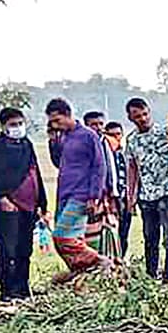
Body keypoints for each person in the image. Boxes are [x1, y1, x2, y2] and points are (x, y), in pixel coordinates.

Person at [0, 108, 49, 301]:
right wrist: (1, 197)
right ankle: (7, 291)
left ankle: (22, 288)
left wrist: (42, 203)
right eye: (13, 125)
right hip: (8, 208)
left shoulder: (27, 144)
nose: (18, 128)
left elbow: (35, 173)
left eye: (20, 123)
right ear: (3, 126)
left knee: (24, 250)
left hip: (29, 207)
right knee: (7, 251)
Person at [46, 98, 110, 273]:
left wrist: (94, 196)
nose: (55, 125)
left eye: (57, 120)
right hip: (64, 193)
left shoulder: (89, 135)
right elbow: (58, 163)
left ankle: (100, 260)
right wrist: (53, 142)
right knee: (74, 238)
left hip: (81, 195)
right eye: (52, 122)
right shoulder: (64, 137)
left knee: (61, 236)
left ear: (68, 115)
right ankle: (83, 273)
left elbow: (99, 166)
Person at [126, 98, 168, 283]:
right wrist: (131, 196)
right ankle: (150, 278)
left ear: (149, 112)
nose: (142, 119)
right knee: (150, 239)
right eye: (137, 116)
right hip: (146, 196)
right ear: (130, 118)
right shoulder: (131, 140)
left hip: (167, 191)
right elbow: (132, 168)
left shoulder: (164, 132)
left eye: (144, 114)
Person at [82, 110, 121, 257]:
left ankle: (112, 262)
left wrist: (116, 191)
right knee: (91, 231)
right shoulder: (83, 145)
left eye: (100, 124)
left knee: (111, 229)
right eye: (93, 125)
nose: (98, 128)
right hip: (91, 195)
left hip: (108, 196)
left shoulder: (108, 142)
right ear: (86, 126)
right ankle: (93, 263)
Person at [104, 121, 131, 256]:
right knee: (111, 233)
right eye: (111, 135)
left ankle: (122, 260)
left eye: (118, 134)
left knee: (124, 232)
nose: (115, 137)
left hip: (126, 198)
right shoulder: (104, 154)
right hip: (112, 199)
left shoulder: (125, 153)